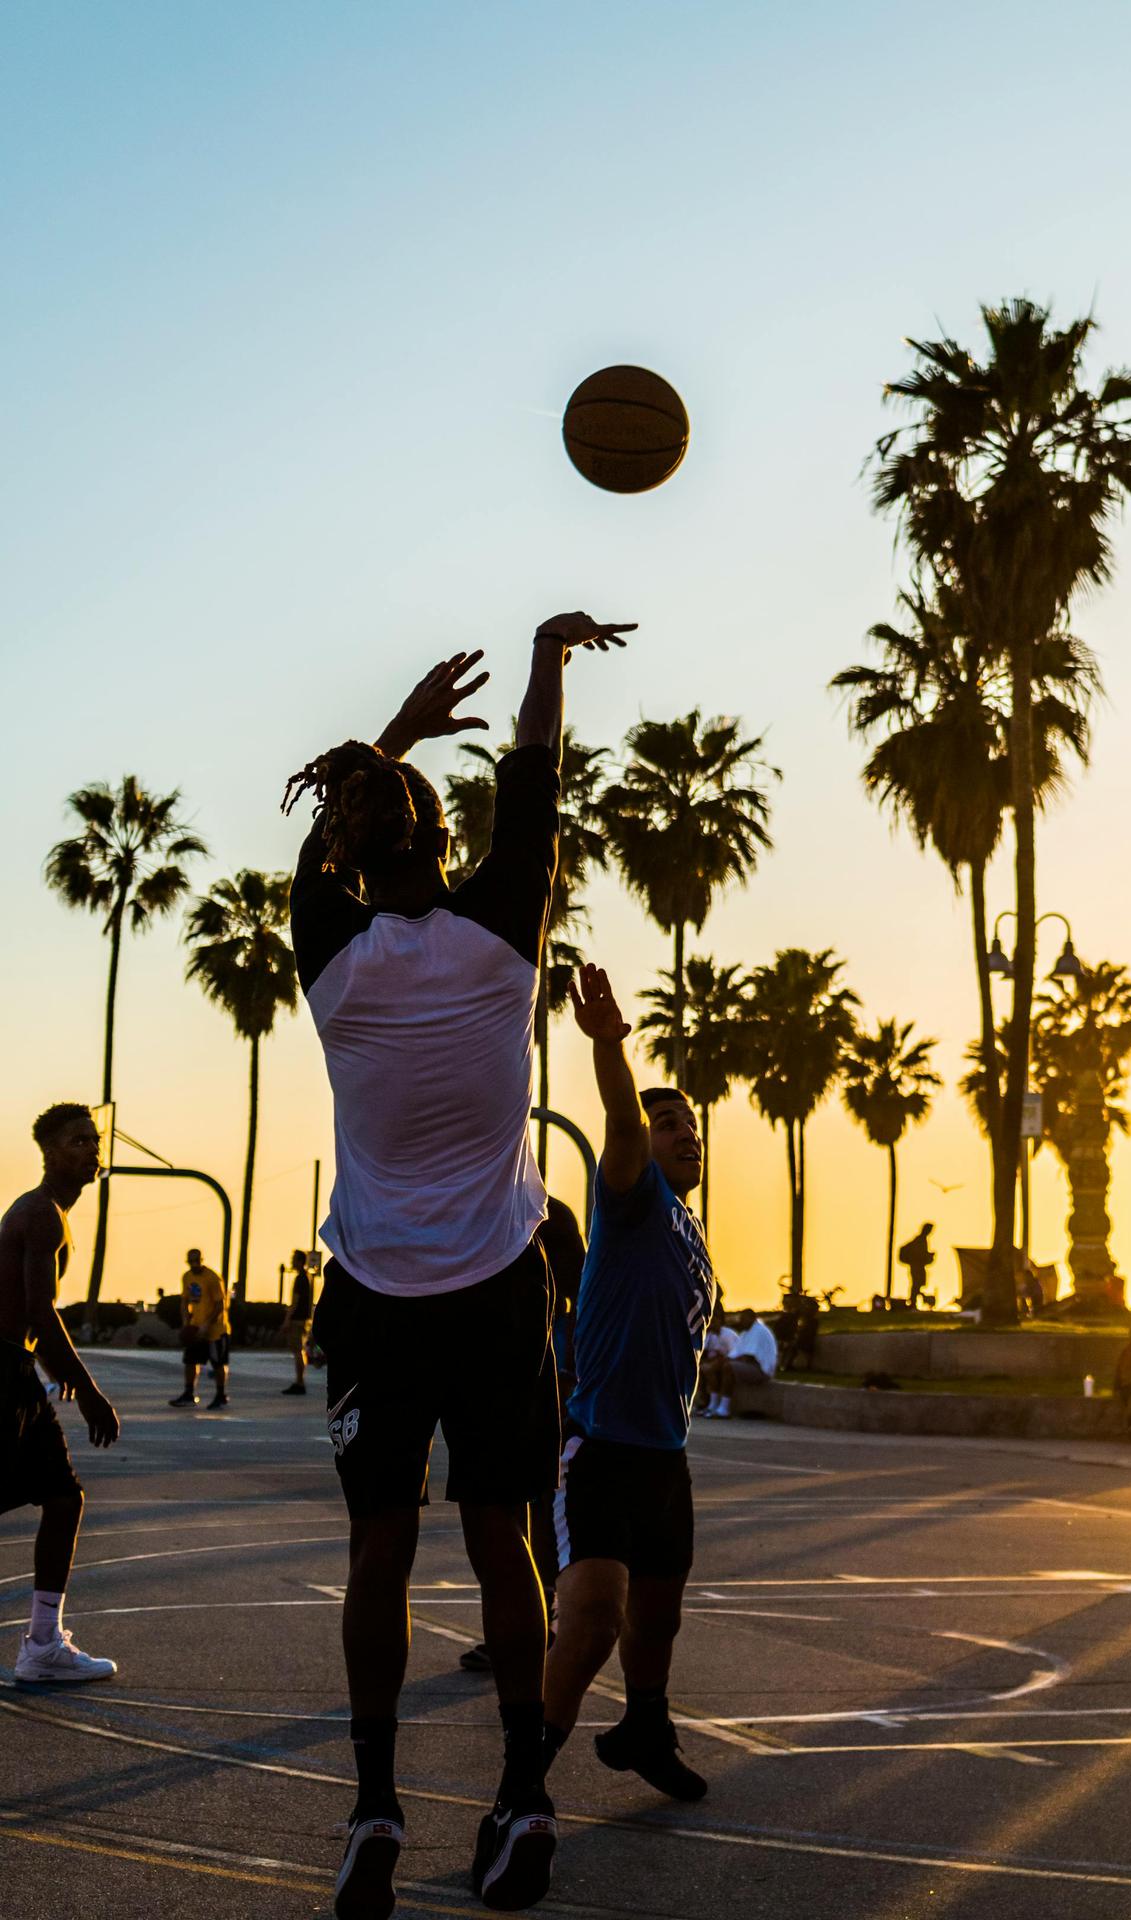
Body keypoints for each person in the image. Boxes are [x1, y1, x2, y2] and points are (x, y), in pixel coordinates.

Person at [285, 617, 633, 1918]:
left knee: (381, 1552)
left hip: (376, 1295)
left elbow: (333, 830)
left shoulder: (329, 952)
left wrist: (400, 729)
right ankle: (521, 1794)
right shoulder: (503, 929)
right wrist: (545, 659)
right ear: (440, 841)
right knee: (505, 1542)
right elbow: (536, 780)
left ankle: (376, 1806)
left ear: (356, 855)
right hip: (496, 1285)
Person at [542, 963, 714, 1803]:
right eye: (671, 1123)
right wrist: (612, 1045)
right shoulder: (632, 1195)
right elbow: (619, 1114)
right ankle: (523, 1777)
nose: (687, 1134)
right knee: (594, 1623)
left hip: (666, 1459)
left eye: (692, 1125)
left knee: (657, 1623)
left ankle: (646, 1727)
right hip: (602, 1446)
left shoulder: (692, 1232)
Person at [0, 1104, 120, 1682]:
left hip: (15, 1367)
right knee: (61, 1498)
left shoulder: (46, 1214)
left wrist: (52, 1366)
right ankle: (42, 1644)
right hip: (3, 1370)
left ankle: (43, 1644)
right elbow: (38, 1309)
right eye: (77, 1141)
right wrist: (90, 1391)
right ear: (48, 1150)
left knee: (63, 1498)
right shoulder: (42, 1214)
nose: (90, 1151)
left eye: (93, 1141)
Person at [460, 1196, 587, 1676]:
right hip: (529, 1396)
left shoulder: (559, 1301)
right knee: (525, 1519)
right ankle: (530, 1626)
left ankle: (537, 1628)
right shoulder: (539, 1290)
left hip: (549, 1401)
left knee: (534, 1520)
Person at [169, 1248, 230, 1410]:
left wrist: (207, 1324)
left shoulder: (212, 1277)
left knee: (218, 1363)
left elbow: (220, 1305)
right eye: (191, 1261)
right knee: (190, 1361)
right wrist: (186, 1322)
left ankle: (221, 1395)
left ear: (202, 1260)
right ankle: (189, 1393)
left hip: (216, 1329)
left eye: (197, 1260)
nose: (194, 1264)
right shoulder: (187, 1277)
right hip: (196, 1327)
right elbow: (184, 1301)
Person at [698, 1306, 778, 1418]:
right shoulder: (747, 1333)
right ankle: (712, 1405)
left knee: (728, 1367)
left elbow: (748, 1357)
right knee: (713, 1367)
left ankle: (724, 1409)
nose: (741, 1321)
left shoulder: (759, 1331)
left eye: (743, 1318)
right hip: (752, 1366)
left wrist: (721, 1362)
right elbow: (735, 1355)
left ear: (752, 1318)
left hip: (762, 1370)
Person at [280, 1248, 315, 1395]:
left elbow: (295, 1302)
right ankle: (299, 1381)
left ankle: (300, 1382)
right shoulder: (306, 1278)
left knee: (297, 1351)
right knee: (299, 1351)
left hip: (297, 1320)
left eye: (294, 1259)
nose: (291, 1262)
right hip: (303, 1319)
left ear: (300, 1261)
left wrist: (287, 1320)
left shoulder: (300, 1279)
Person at [898, 1223, 935, 1310]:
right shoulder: (920, 1240)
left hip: (919, 1267)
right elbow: (919, 1255)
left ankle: (917, 1301)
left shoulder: (922, 1240)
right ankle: (914, 1302)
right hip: (916, 1267)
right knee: (916, 1285)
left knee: (918, 1285)